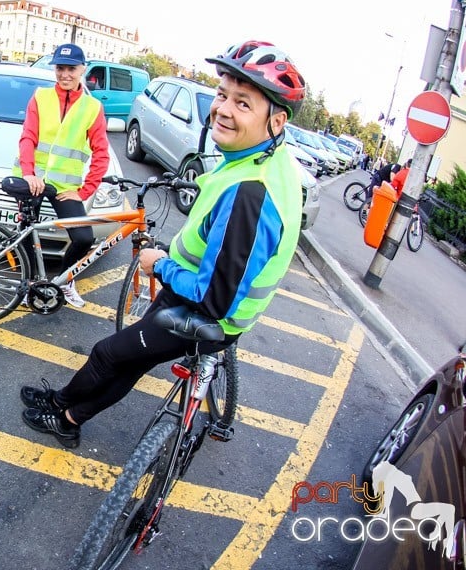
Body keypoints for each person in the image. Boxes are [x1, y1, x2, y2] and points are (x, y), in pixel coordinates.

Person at [19, 40, 306, 448]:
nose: (223, 109)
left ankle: (64, 417)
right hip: (194, 298)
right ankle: (64, 404)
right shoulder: (262, 163)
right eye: (222, 94)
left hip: (205, 316)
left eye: (243, 103)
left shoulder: (251, 192)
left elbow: (214, 298)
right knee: (126, 362)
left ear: (276, 122)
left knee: (109, 354)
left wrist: (161, 264)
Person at [2, 43, 110, 308]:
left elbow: (102, 153)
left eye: (71, 68)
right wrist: (29, 173)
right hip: (32, 180)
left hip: (64, 186)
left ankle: (65, 280)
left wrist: (84, 191)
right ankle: (29, 287)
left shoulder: (92, 107)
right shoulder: (40, 97)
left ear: (82, 69)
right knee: (27, 233)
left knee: (83, 238)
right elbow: (28, 136)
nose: (65, 74)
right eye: (60, 68)